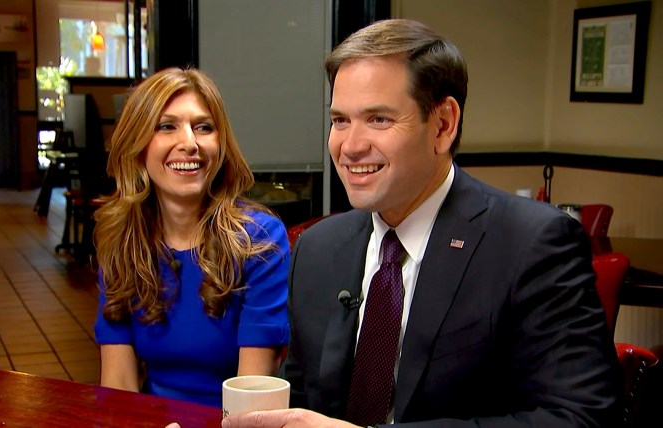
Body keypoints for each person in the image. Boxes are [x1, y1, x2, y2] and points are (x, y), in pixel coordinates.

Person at [222, 19, 621, 427]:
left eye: (378, 119)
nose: (351, 146)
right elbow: (306, 403)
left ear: (443, 125)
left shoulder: (532, 243)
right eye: (340, 120)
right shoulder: (317, 248)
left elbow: (583, 418)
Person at [93, 67, 290, 408]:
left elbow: (252, 403)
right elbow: (118, 387)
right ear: (138, 145)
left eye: (204, 127)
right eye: (166, 126)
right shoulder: (121, 241)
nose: (189, 143)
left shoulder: (260, 240)